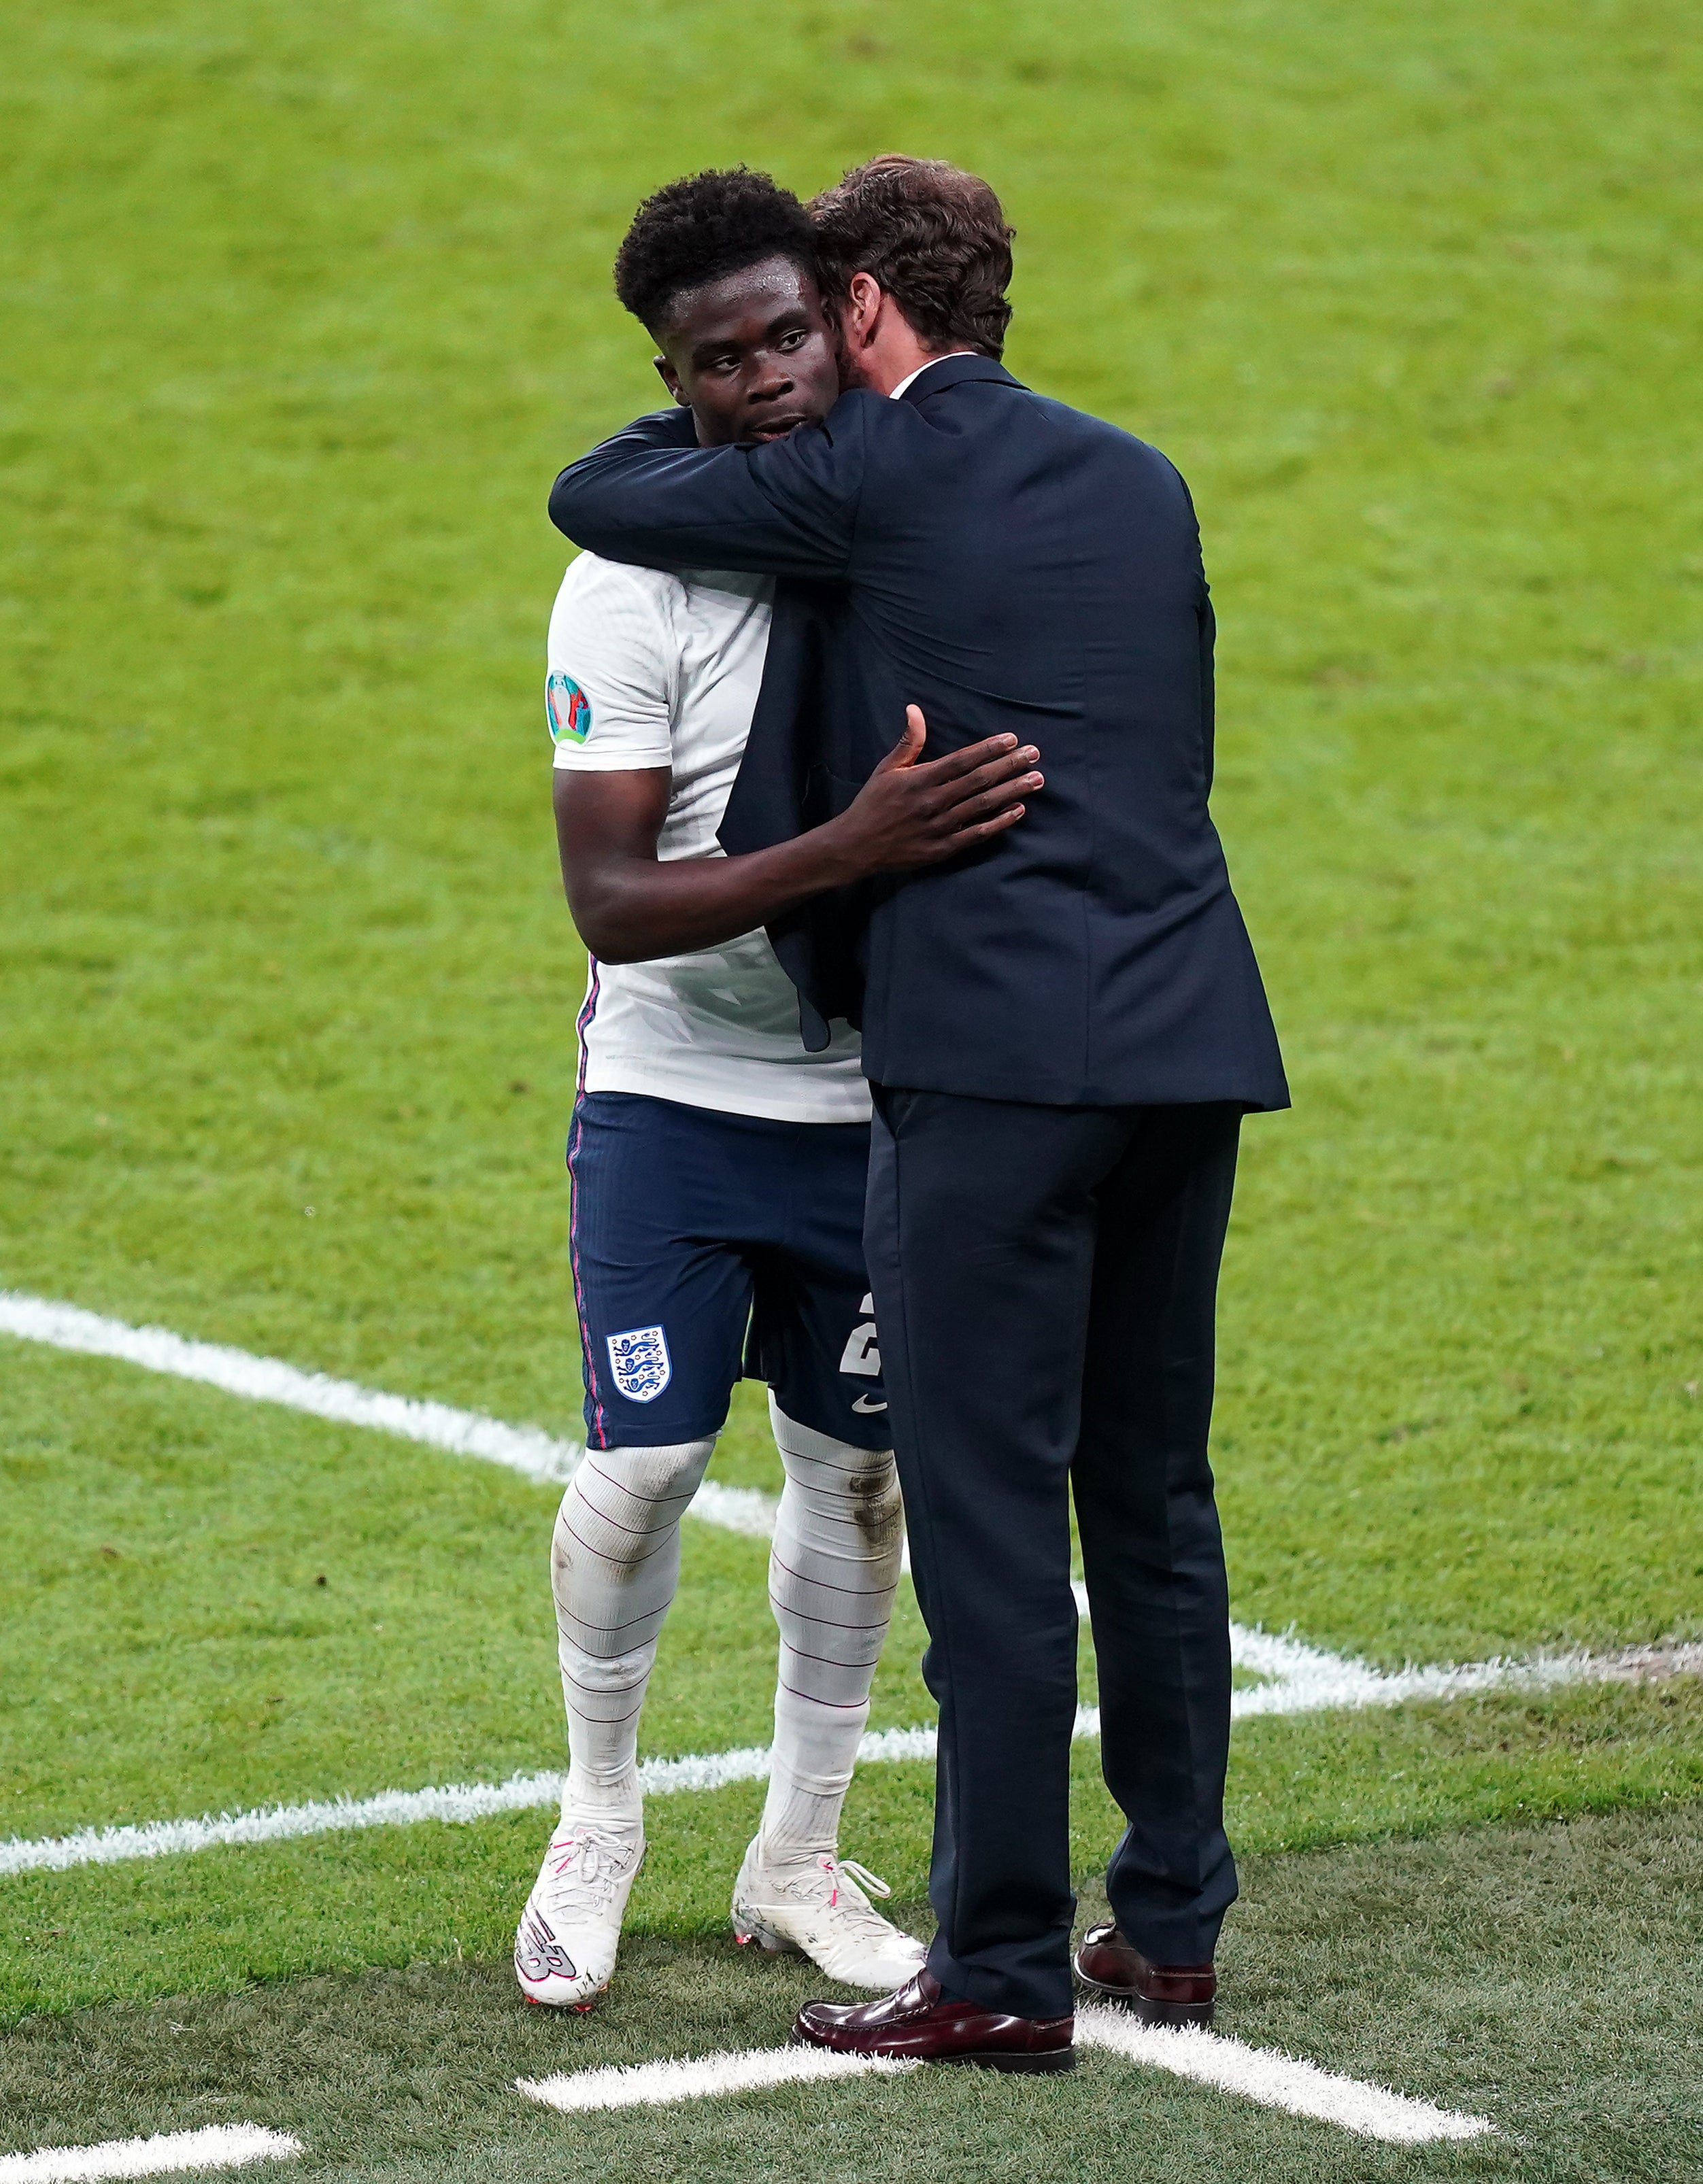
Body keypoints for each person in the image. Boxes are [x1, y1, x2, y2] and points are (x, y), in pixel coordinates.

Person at [547, 156, 1289, 2069]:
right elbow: (1183, 732)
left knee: (979, 1528)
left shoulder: (871, 475)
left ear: (862, 305)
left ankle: (1000, 1969)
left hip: (988, 1073)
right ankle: (1178, 1922)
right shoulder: (1140, 476)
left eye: (807, 321)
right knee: (1156, 1494)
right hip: (1189, 1034)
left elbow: (602, 492)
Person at [516, 167, 1043, 2013]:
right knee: (648, 1461)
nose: (760, 379)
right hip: (672, 1095)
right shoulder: (628, 578)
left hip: (872, 1098)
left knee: (861, 1474)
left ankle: (799, 1849)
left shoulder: (912, 522)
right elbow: (612, 903)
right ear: (671, 380)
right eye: (713, 360)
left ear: (846, 313)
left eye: (784, 335)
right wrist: (856, 843)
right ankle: (597, 1812)